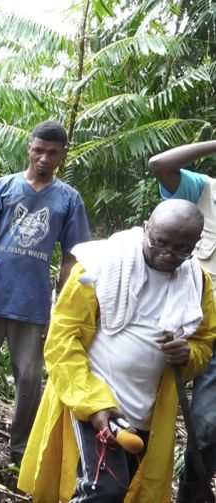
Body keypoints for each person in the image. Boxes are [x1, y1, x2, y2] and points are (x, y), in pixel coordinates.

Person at [17, 199, 216, 502]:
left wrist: (188, 353)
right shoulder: (100, 265)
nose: (168, 254)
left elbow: (204, 342)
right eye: (160, 243)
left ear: (196, 244)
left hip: (148, 415)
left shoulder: (197, 282)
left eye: (181, 249)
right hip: (95, 400)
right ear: (146, 228)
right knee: (104, 490)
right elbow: (62, 339)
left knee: (126, 493)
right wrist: (93, 404)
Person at [0, 121, 91, 470]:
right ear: (29, 148)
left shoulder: (68, 199)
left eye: (52, 152)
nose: (43, 158)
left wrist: (61, 308)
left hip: (34, 301)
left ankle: (22, 447)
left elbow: (70, 258)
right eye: (38, 150)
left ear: (62, 155)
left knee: (28, 376)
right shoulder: (2, 188)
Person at [149, 139, 216, 502]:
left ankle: (193, 494)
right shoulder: (203, 190)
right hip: (181, 329)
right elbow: (160, 164)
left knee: (207, 427)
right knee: (147, 411)